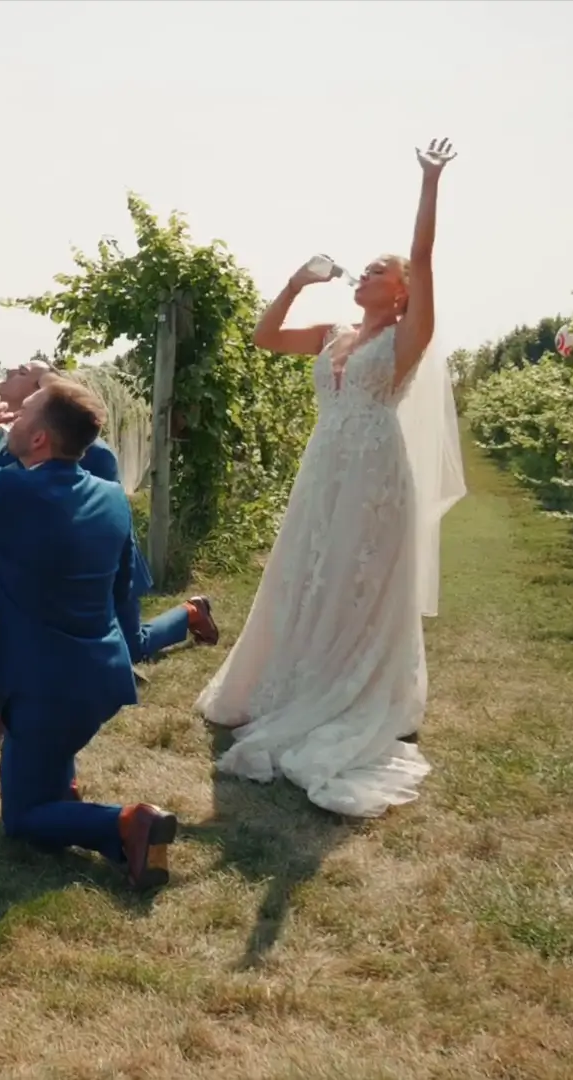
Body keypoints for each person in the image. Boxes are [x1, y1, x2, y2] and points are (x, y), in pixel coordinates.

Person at [195, 138, 467, 819]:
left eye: (377, 270)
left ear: (401, 291)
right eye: (365, 269)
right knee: (305, 572)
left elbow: (426, 258)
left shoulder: (408, 337)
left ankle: (349, 689)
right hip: (324, 467)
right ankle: (291, 680)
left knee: (354, 580)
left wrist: (429, 183)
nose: (363, 275)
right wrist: (295, 282)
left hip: (375, 473)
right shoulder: (331, 334)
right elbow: (263, 338)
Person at [0, 378, 175, 891]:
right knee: (47, 763)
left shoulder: (8, 489)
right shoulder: (113, 496)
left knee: (23, 819)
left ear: (42, 438)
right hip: (102, 678)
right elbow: (121, 591)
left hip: (43, 688)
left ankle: (126, 823)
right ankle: (63, 786)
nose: (12, 421)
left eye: (23, 414)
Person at [0, 358, 219, 749]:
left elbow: (91, 513)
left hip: (58, 582)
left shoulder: (70, 448)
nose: (8, 371)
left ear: (43, 394)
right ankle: (8, 711)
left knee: (127, 641)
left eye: (25, 373)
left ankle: (189, 613)